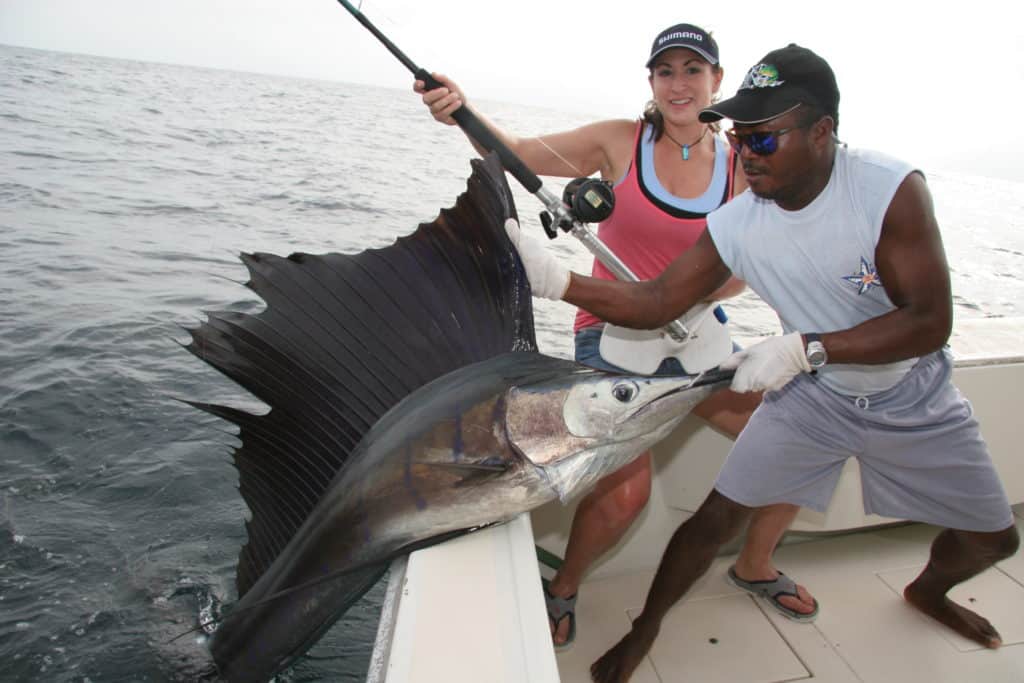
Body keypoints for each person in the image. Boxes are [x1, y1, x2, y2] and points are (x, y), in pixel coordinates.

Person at [504, 42, 1021, 682]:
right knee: (712, 521)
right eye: (742, 138)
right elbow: (656, 299)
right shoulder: (738, 223)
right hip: (814, 397)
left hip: (912, 393)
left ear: (823, 131)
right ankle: (644, 631)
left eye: (766, 141)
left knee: (995, 541)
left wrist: (808, 348)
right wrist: (557, 281)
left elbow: (929, 321)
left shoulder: (889, 191)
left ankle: (929, 591)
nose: (747, 154)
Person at [414, 25, 819, 648]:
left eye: (693, 70)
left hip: (697, 336)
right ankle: (565, 587)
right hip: (611, 332)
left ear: (716, 79)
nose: (679, 84)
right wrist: (459, 111)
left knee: (797, 444)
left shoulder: (745, 161)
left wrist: (695, 295)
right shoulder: (619, 142)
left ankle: (754, 564)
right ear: (651, 82)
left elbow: (746, 269)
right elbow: (519, 148)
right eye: (666, 72)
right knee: (626, 494)